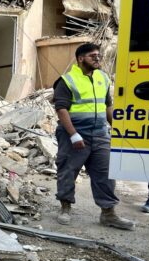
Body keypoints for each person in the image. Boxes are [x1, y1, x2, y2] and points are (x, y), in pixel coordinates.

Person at [53, 43, 136, 230]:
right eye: (92, 56)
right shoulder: (67, 80)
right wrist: (73, 134)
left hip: (100, 133)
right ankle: (65, 208)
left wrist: (117, 128)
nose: (97, 58)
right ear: (81, 58)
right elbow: (61, 109)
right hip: (73, 133)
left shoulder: (103, 78)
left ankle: (108, 213)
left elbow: (107, 106)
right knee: (68, 170)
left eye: (99, 55)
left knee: (106, 174)